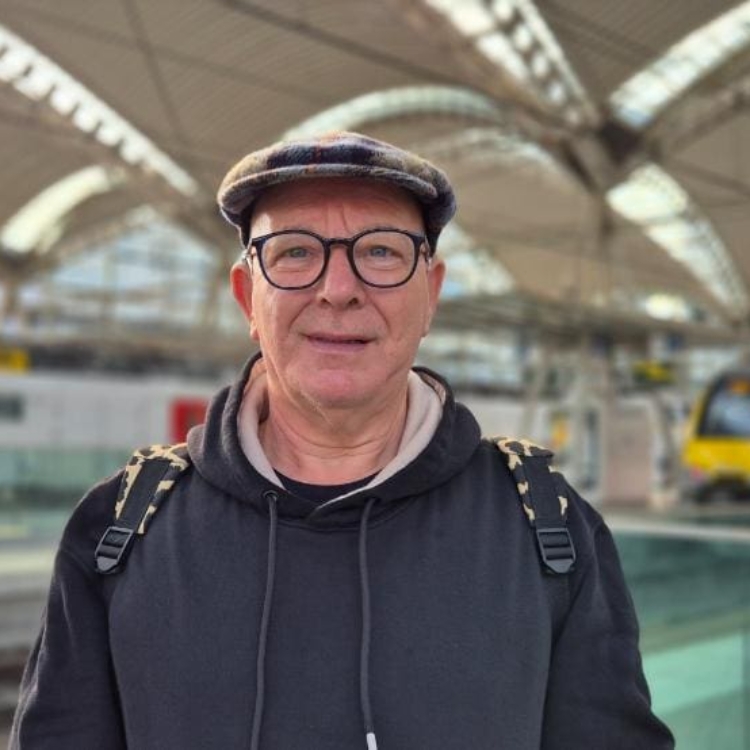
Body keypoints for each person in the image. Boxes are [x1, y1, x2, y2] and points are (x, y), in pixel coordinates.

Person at [10, 131, 674, 749]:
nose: (337, 290)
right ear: (247, 298)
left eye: (380, 251)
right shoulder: (120, 529)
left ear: (431, 294)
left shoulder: (547, 528)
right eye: (295, 251)